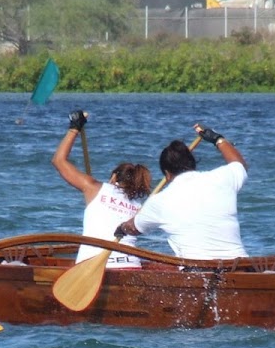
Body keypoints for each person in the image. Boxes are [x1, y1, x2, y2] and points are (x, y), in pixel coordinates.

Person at [114, 123, 248, 260]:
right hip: (240, 263)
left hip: (197, 269)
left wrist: (122, 228)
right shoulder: (222, 178)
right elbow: (239, 164)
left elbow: (134, 228)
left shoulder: (159, 201)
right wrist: (217, 139)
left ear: (167, 174)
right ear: (193, 164)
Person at [50, 110, 152, 268]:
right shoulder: (140, 207)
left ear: (113, 177)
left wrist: (74, 128)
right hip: (132, 265)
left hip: (93, 266)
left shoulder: (94, 187)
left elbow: (58, 161)